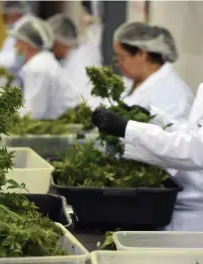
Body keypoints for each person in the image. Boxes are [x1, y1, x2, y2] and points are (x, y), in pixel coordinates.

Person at [92, 82, 203, 231]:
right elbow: (191, 134)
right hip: (186, 203)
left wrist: (127, 129)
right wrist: (153, 118)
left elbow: (196, 149)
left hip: (195, 214)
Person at [114, 22, 194, 122]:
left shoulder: (174, 96)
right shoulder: (131, 80)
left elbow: (170, 135)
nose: (118, 63)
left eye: (121, 57)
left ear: (141, 54)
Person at [8, 16, 78, 120]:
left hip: (63, 126)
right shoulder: (43, 62)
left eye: (18, 42)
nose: (15, 46)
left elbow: (33, 113)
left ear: (28, 45)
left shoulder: (38, 67)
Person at [47, 13, 102, 109]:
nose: (51, 48)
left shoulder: (81, 60)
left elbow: (80, 99)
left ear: (60, 41)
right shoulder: (69, 58)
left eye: (53, 44)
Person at [0, 0, 33, 75]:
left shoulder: (26, 27)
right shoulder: (17, 28)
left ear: (13, 13)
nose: (3, 18)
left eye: (5, 14)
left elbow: (20, 57)